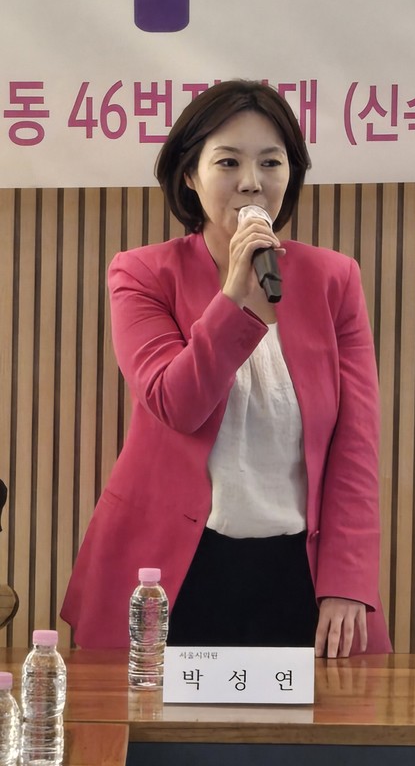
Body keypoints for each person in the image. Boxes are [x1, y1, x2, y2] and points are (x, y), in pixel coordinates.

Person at [62, 80, 391, 656]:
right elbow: (176, 403)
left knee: (323, 716)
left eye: (271, 162)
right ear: (190, 175)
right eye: (228, 162)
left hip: (299, 566)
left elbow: (356, 442)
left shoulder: (334, 279)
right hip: (169, 572)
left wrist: (348, 578)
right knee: (150, 717)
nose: (251, 182)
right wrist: (234, 296)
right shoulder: (141, 274)